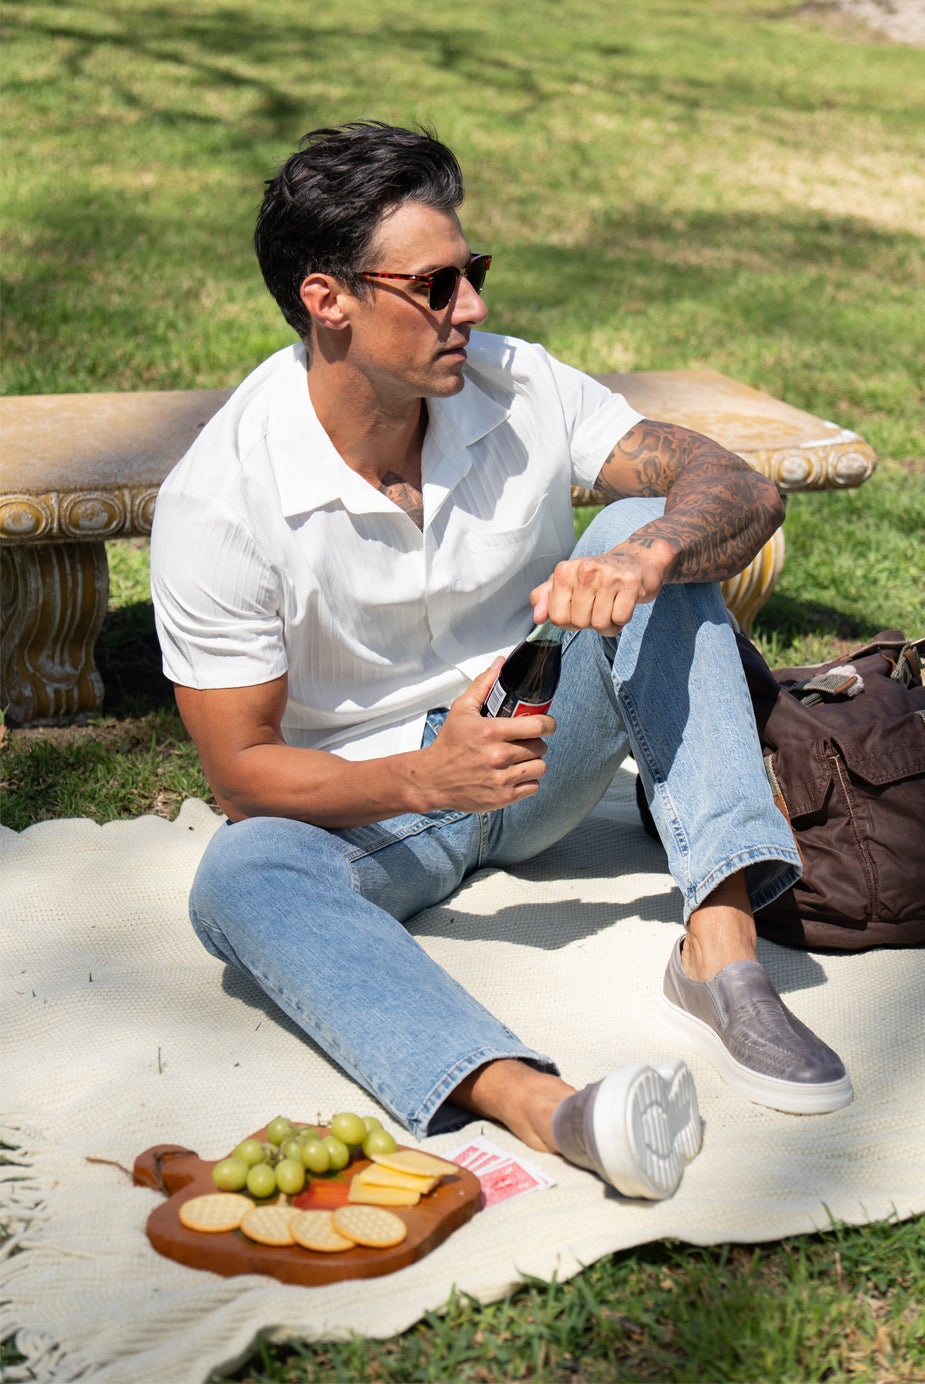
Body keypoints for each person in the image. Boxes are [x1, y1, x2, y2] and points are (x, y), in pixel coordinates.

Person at [150, 121, 851, 1203]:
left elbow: (738, 486)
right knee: (240, 876)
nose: (471, 308)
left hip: (539, 739)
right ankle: (548, 1106)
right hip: (372, 805)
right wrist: (424, 779)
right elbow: (241, 775)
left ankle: (721, 952)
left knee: (646, 519)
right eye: (436, 285)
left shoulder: (517, 383)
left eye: (471, 273)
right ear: (326, 299)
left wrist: (646, 548)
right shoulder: (219, 498)